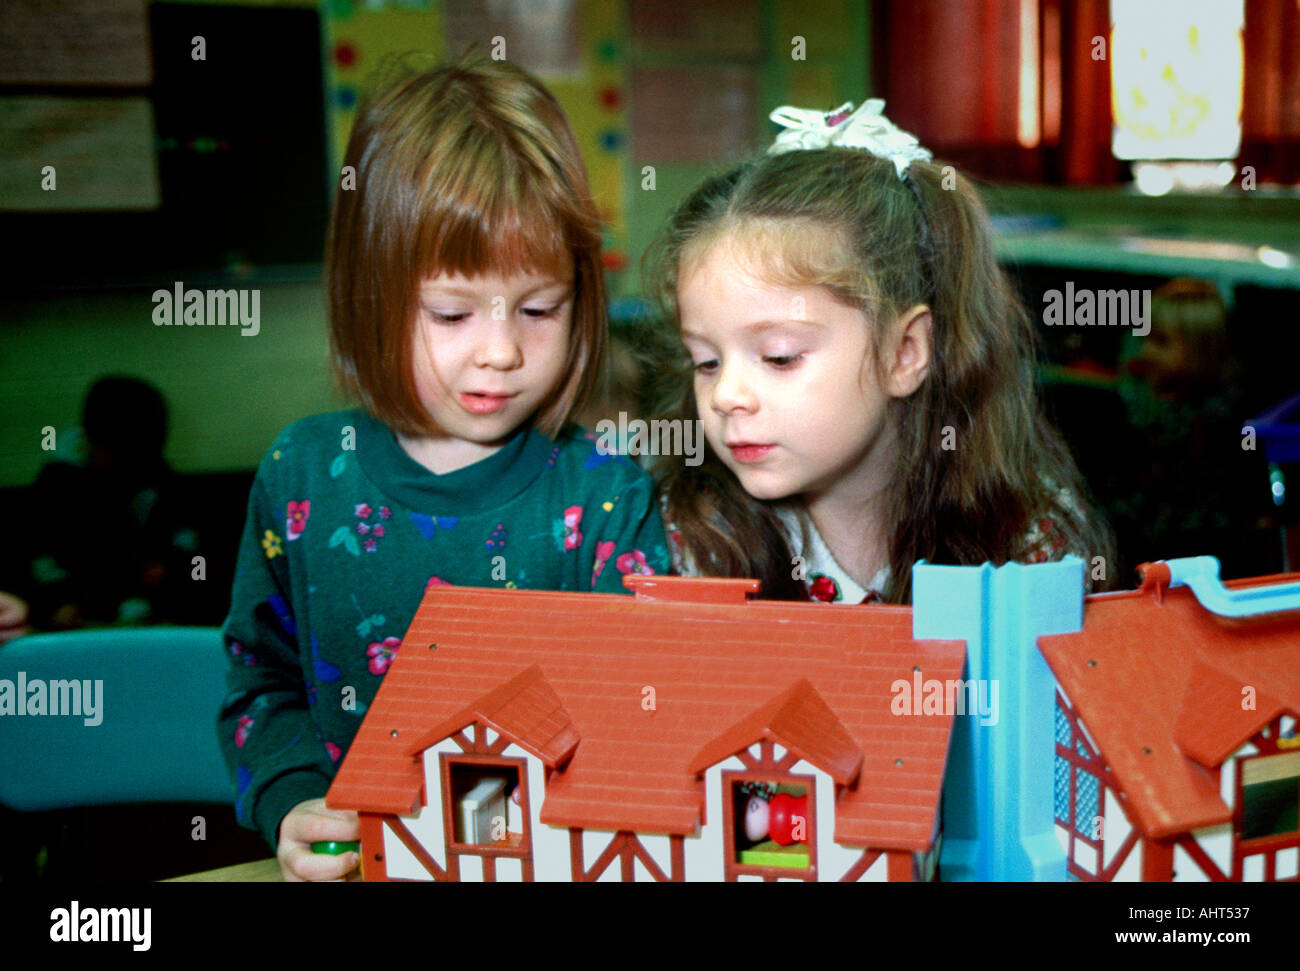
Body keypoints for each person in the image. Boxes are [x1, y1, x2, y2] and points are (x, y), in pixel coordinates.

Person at [218, 52, 669, 881]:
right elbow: (260, 687)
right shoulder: (301, 475)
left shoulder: (609, 493)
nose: (501, 351)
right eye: (452, 313)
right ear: (369, 295)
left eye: (539, 308)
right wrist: (292, 799)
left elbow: (646, 715)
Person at [649, 100, 1114, 604]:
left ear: (905, 352)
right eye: (706, 362)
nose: (725, 396)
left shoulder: (1026, 539)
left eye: (780, 357)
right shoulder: (696, 535)